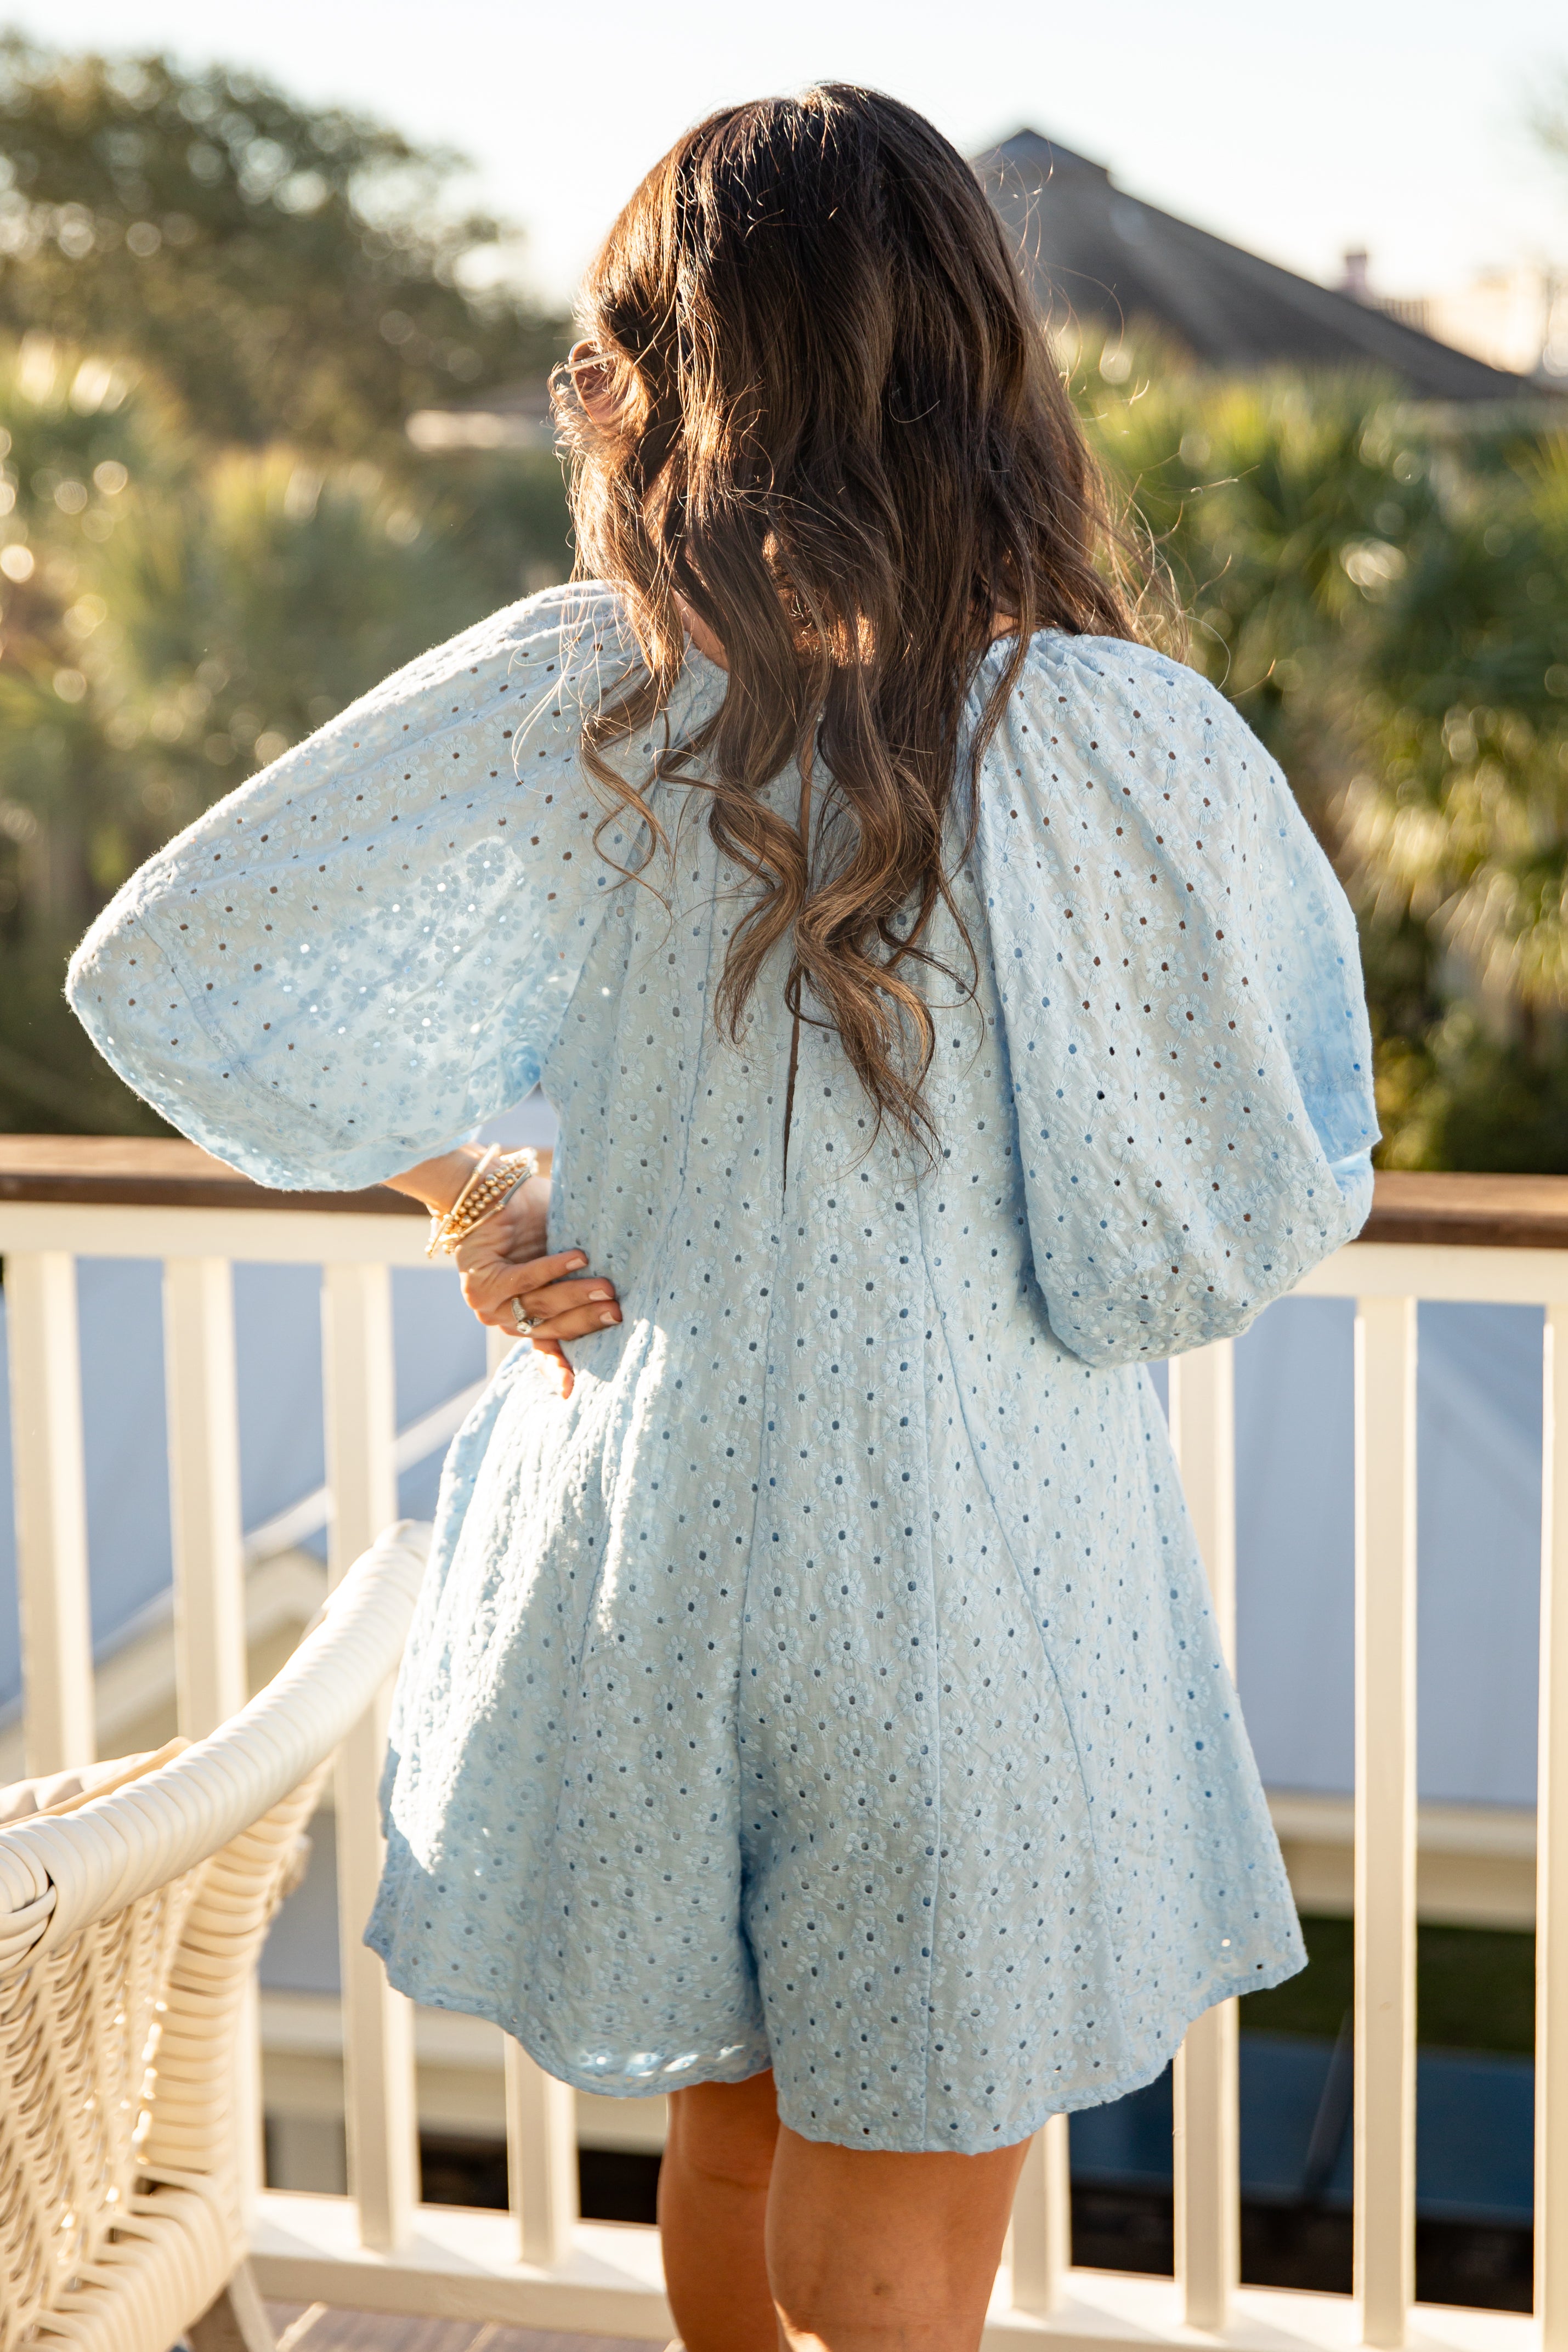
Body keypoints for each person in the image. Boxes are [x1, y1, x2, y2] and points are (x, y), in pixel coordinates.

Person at [68, 85, 1376, 2352]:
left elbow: (165, 965)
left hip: (650, 1554)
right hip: (957, 1588)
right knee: (908, 2207)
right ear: (974, 365)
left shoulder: (593, 695)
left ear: (674, 379)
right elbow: (1231, 1212)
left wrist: (474, 1188)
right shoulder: (1107, 740)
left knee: (740, 2129)